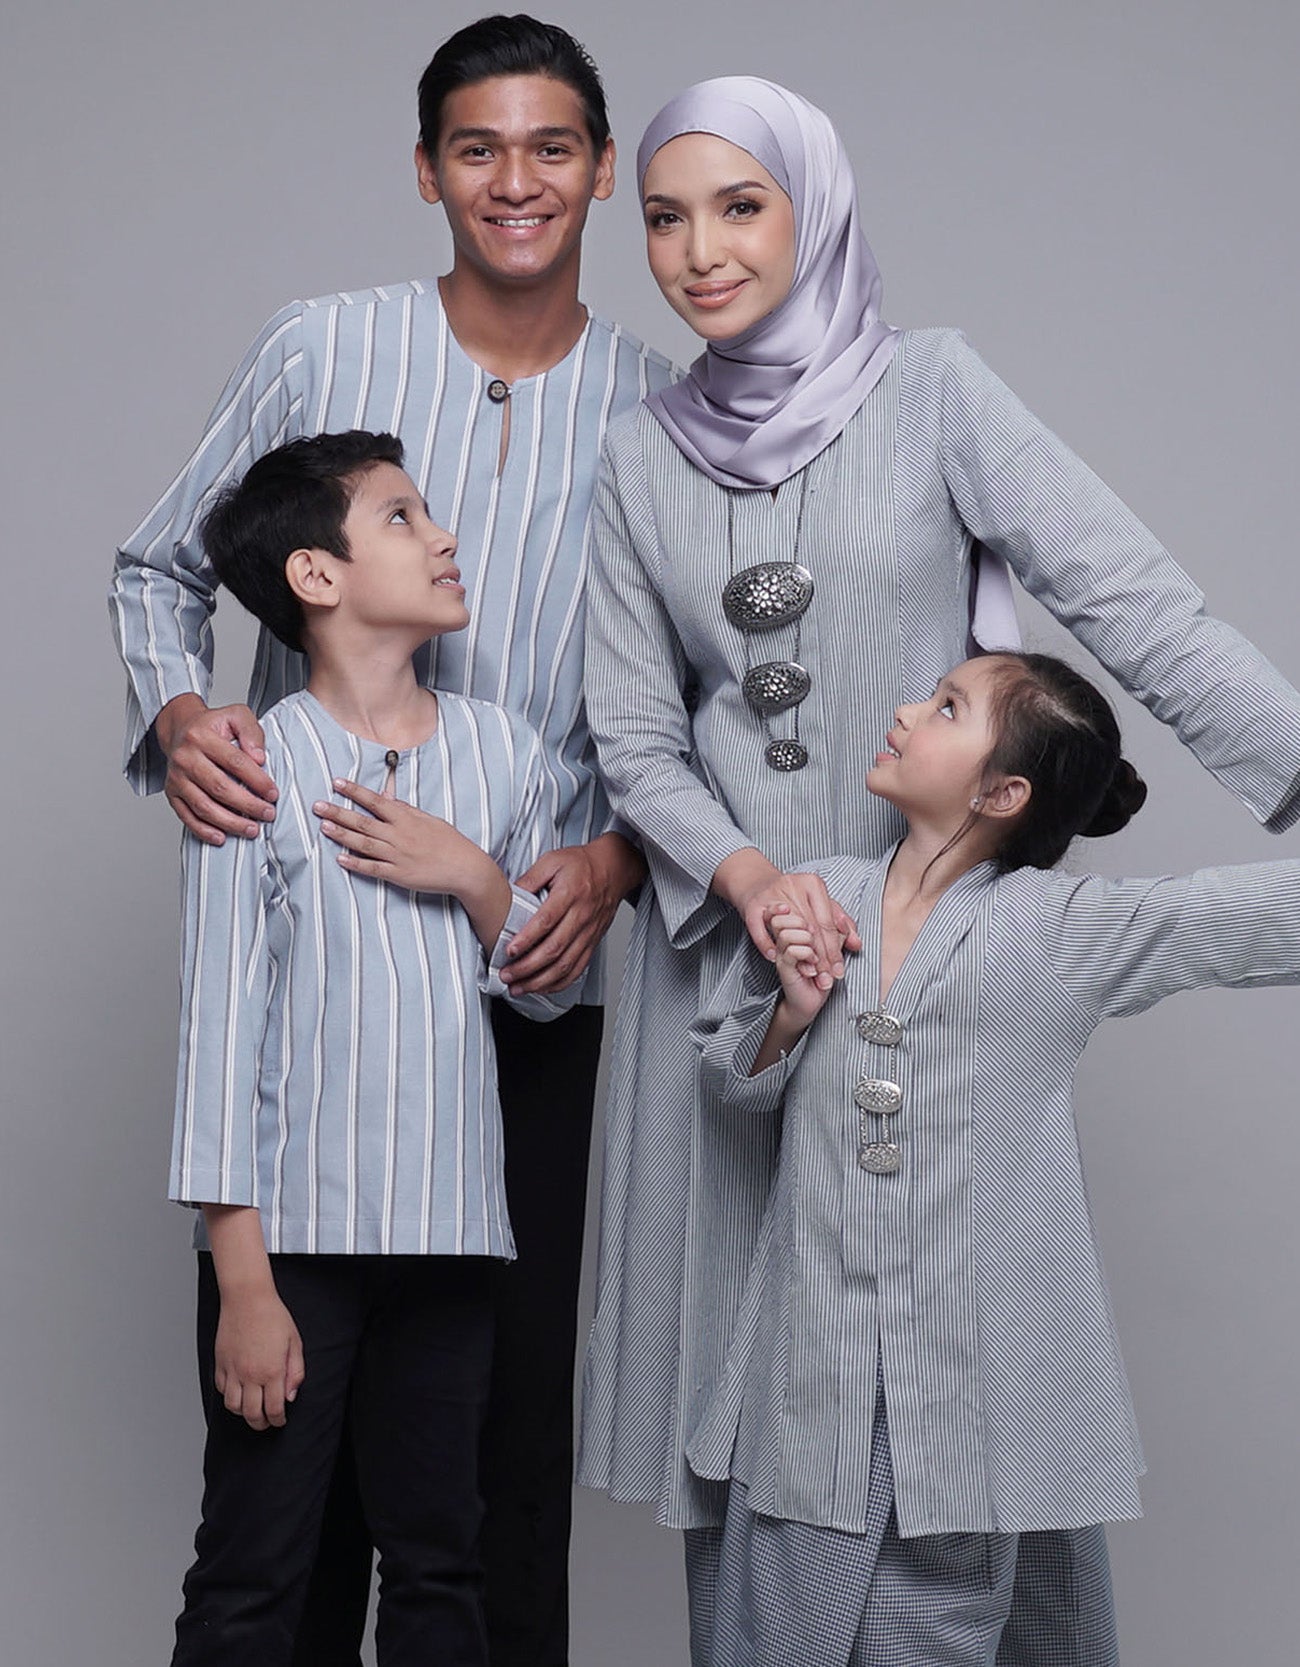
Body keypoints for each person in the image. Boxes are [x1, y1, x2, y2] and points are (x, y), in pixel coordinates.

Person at [577, 77, 1300, 1667]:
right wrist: (753, 880)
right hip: (739, 971)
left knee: (955, 1365)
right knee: (757, 1412)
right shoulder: (637, 458)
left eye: (742, 206)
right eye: (667, 218)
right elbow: (634, 732)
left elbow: (1138, 605)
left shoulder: (935, 392)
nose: (699, 252)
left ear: (816, 210)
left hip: (931, 955)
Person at [109, 17, 672, 1665]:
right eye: (478, 148)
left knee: (495, 1448)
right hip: (321, 950)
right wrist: (180, 718)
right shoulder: (322, 346)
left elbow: (703, 696)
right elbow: (160, 565)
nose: (517, 180)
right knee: (291, 1465)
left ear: (602, 170)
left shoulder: (667, 408)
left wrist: (618, 862)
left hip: (532, 963)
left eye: (553, 146)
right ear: (427, 171)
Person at [686, 649, 1300, 1666]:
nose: (905, 710)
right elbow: (732, 1082)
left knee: (932, 1635)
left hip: (961, 1403)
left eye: (945, 708)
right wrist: (791, 1010)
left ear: (1001, 792)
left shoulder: (1055, 929)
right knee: (773, 1638)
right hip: (810, 1383)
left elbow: (1246, 917)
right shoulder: (821, 895)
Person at [168, 429, 577, 1665]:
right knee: (253, 1570)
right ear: (317, 574)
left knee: (442, 1565)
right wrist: (243, 1282)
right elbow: (217, 1029)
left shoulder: (506, 753)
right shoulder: (253, 762)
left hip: (451, 1237)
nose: (443, 535)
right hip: (291, 1246)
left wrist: (476, 878)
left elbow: (548, 997)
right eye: (402, 517)